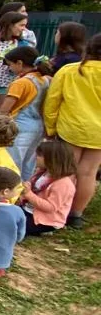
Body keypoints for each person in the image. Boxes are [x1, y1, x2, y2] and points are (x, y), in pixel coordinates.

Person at [43, 33, 101, 230]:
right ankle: (76, 214)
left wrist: (50, 128)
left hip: (72, 128)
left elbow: (53, 101)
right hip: (98, 134)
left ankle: (59, 209)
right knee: (89, 172)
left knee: (66, 170)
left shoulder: (70, 71)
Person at [0, 46, 53, 180]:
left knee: (12, 162)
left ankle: (11, 193)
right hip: (38, 127)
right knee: (29, 163)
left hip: (19, 127)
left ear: (20, 63)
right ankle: (25, 193)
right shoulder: (45, 79)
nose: (9, 68)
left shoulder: (21, 83)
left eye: (10, 64)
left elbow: (4, 109)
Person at [18, 141, 77, 236]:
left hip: (44, 219)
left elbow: (51, 207)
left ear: (52, 159)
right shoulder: (41, 173)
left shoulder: (63, 184)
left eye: (40, 155)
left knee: (13, 225)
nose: (36, 157)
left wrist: (29, 195)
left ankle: (42, 230)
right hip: (29, 210)